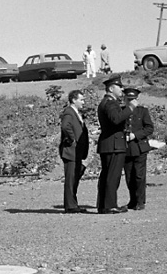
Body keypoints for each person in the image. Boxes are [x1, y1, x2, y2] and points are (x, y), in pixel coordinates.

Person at [96, 75, 135, 214]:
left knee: (107, 175)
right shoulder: (110, 103)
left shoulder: (107, 102)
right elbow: (115, 119)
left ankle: (104, 205)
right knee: (113, 176)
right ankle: (109, 205)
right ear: (111, 88)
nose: (122, 89)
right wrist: (130, 109)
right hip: (113, 144)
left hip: (110, 143)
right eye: (119, 87)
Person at [123, 87, 154, 211]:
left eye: (133, 99)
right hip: (126, 148)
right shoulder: (122, 111)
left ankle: (140, 201)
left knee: (139, 176)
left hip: (139, 146)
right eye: (128, 99)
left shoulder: (142, 111)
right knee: (129, 176)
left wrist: (135, 135)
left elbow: (149, 128)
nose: (131, 101)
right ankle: (133, 200)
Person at [59, 90, 89, 213]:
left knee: (75, 176)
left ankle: (73, 204)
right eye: (81, 99)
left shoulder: (75, 113)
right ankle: (70, 205)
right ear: (73, 100)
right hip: (71, 151)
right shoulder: (69, 112)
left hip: (76, 151)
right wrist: (72, 140)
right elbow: (65, 126)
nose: (83, 102)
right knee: (71, 178)